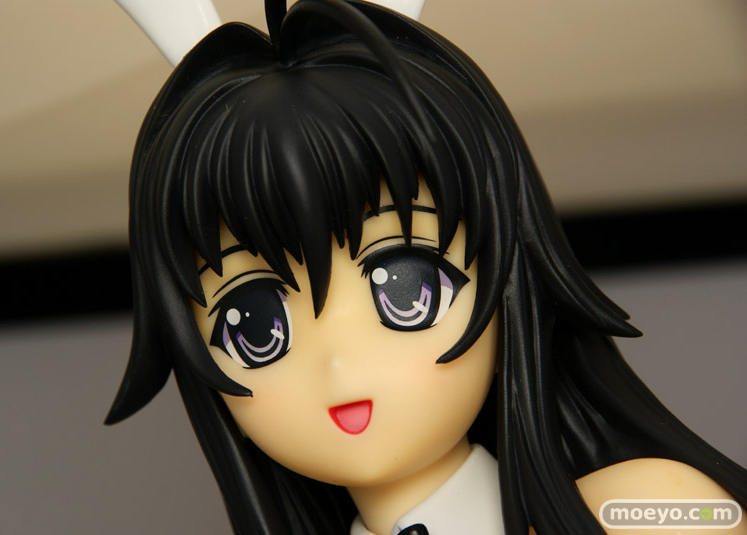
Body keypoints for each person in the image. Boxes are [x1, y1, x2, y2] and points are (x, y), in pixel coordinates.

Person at [106, 1, 747, 533]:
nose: (338, 365)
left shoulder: (639, 513)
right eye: (255, 325)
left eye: (406, 291)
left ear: (507, 278)